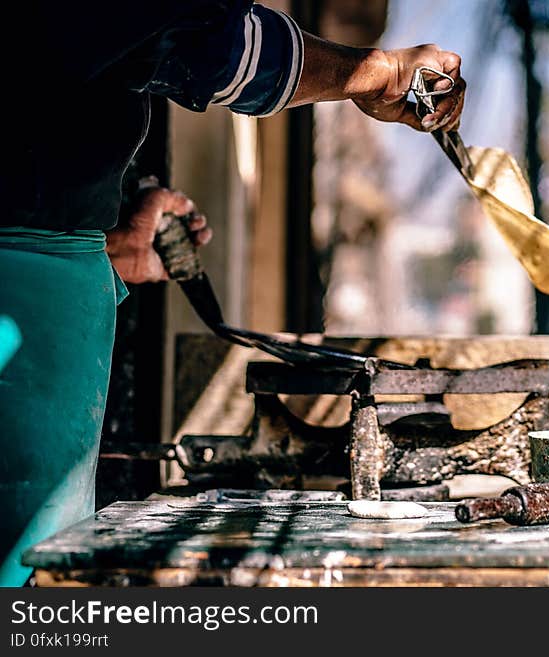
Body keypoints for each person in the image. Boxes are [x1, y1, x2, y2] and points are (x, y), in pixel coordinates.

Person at [0, 0, 466, 586]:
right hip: (26, 279)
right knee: (26, 574)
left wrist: (107, 213)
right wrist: (372, 73)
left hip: (55, 263)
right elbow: (201, 41)